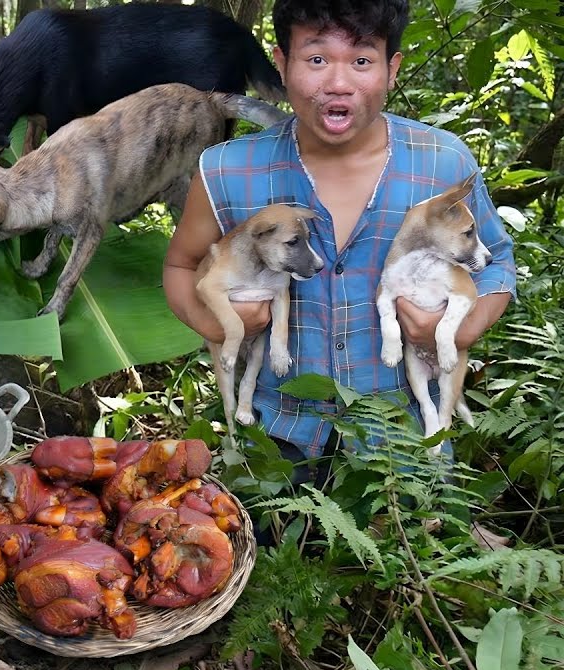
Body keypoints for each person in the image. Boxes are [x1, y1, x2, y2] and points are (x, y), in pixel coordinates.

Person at [162, 0, 516, 481]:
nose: (338, 82)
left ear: (392, 69)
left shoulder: (443, 163)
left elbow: (497, 264)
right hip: (273, 436)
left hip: (408, 440)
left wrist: (465, 326)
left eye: (363, 60)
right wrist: (216, 320)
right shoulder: (225, 170)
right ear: (281, 63)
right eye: (316, 59)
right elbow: (181, 266)